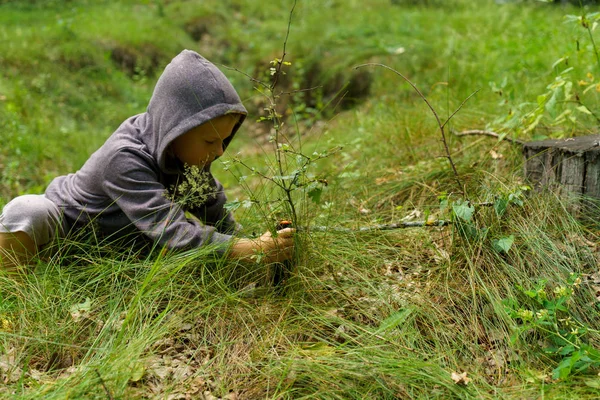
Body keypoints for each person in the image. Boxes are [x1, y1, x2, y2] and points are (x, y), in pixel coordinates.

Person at [0, 49, 295, 275]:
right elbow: (174, 231)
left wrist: (263, 249)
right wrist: (245, 249)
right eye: (209, 141)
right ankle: (15, 293)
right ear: (175, 129)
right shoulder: (124, 157)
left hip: (113, 257)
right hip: (67, 235)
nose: (219, 151)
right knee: (26, 211)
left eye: (225, 140)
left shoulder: (188, 161)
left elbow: (219, 215)